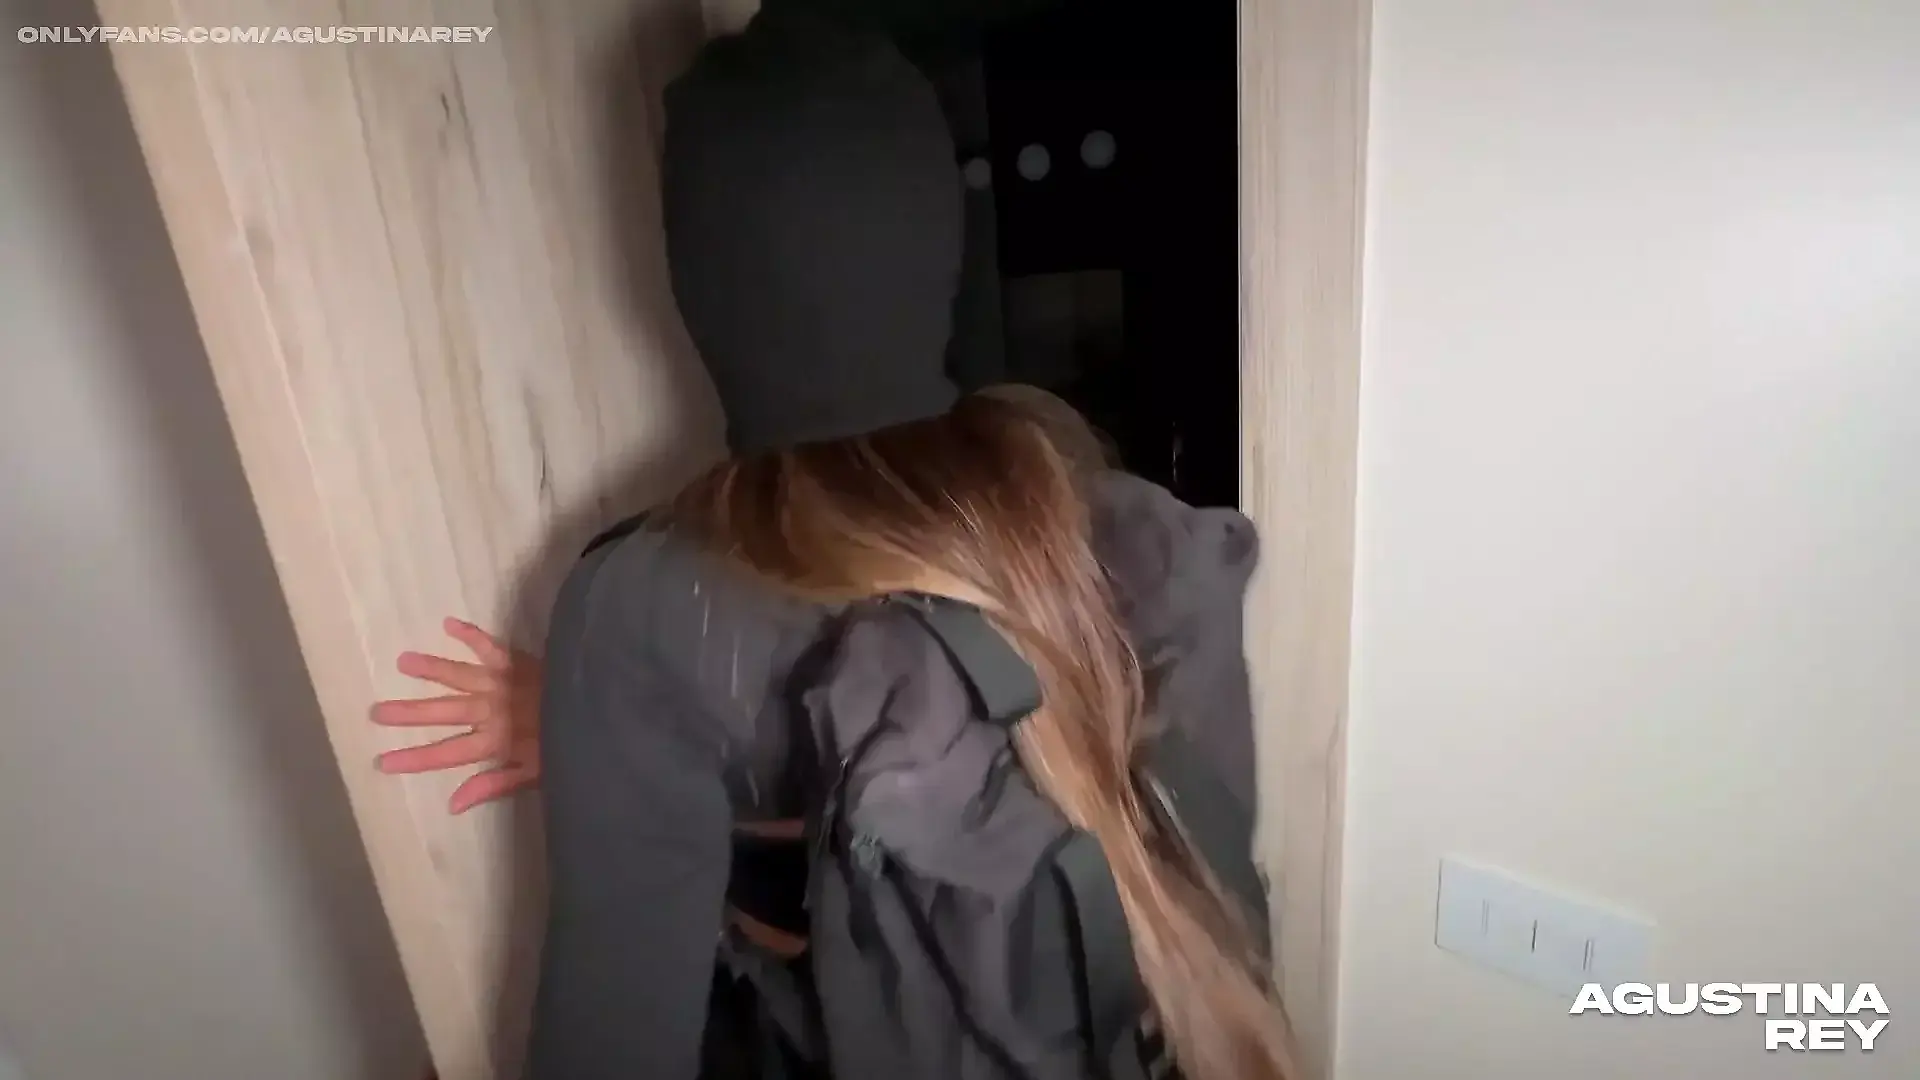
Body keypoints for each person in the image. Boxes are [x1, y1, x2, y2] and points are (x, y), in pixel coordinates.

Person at [373, 7, 1287, 1079]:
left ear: (693, 276)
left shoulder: (648, 613)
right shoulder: (1137, 535)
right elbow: (1204, 889)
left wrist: (616, 728)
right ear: (936, 240)